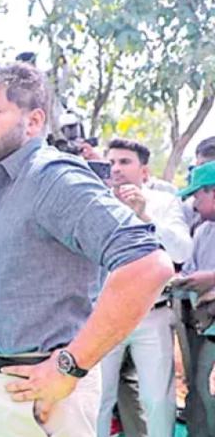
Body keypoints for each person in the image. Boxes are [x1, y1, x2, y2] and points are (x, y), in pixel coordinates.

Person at [0, 63, 173, 437]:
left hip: (43, 395)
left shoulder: (53, 178)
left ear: (34, 121)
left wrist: (69, 367)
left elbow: (149, 264)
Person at [96, 138, 191, 437]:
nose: (116, 169)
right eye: (111, 162)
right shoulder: (94, 203)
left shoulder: (164, 203)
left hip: (153, 313)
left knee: (157, 400)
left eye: (124, 162)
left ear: (145, 171)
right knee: (98, 398)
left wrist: (144, 216)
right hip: (104, 316)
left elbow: (181, 252)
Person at [173, 155, 215, 436]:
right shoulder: (202, 231)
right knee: (198, 387)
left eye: (197, 194)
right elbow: (188, 271)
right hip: (201, 320)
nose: (194, 203)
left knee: (206, 385)